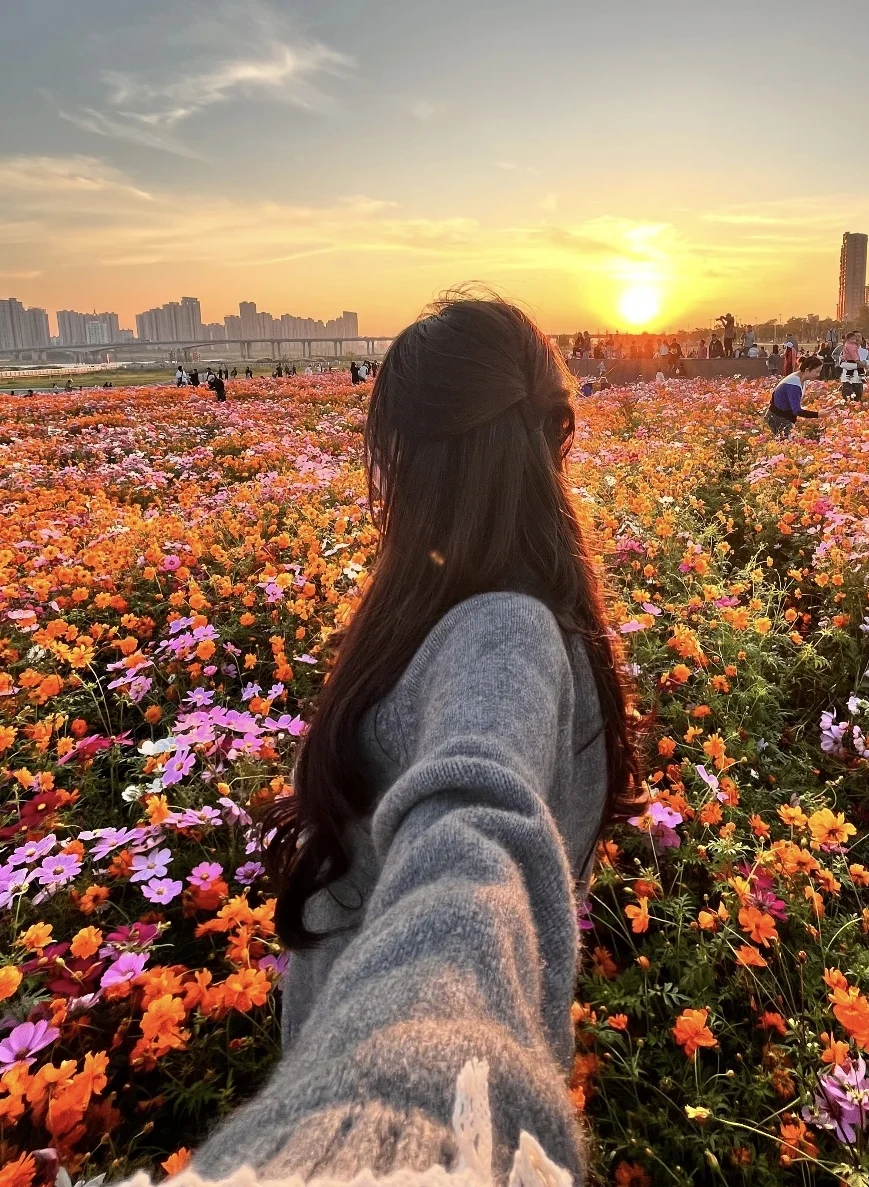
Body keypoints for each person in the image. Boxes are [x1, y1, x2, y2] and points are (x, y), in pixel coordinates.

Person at [184, 295, 639, 1185]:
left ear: (422, 459)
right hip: (355, 1024)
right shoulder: (499, 602)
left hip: (400, 1067)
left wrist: (395, 1118)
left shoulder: (502, 633)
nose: (382, 481)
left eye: (386, 452)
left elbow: (470, 839)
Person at [765, 355, 823, 435]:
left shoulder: (801, 378)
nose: (818, 374)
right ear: (807, 370)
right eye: (817, 371)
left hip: (784, 418)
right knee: (785, 444)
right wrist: (818, 414)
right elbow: (797, 410)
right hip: (778, 419)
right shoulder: (793, 385)